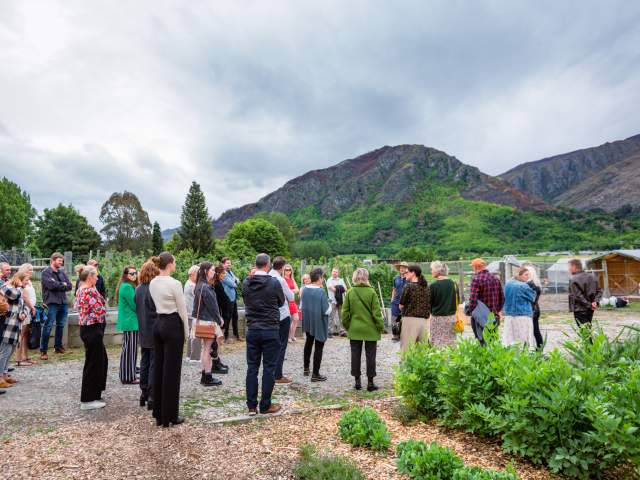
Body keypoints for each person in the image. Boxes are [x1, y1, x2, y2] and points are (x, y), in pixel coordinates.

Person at [149, 252, 189, 427]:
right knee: (172, 372)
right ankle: (170, 415)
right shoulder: (175, 283)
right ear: (170, 264)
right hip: (172, 324)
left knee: (159, 367)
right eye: (175, 262)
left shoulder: (153, 281)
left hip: (158, 324)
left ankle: (159, 414)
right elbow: (182, 311)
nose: (176, 264)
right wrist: (186, 333)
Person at [242, 253, 285, 415]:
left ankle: (251, 406)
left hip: (253, 328)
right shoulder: (273, 283)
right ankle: (265, 405)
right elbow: (281, 302)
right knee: (269, 368)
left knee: (252, 367)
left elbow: (246, 300)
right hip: (270, 329)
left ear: (256, 264)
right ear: (267, 265)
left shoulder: (247, 282)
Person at [342, 268, 384, 392]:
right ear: (366, 278)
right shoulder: (372, 293)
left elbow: (344, 313)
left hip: (355, 329)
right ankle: (370, 383)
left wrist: (348, 326)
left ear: (355, 277)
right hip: (370, 330)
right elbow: (377, 314)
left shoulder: (350, 292)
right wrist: (380, 327)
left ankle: (357, 382)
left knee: (355, 355)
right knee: (371, 356)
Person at [75, 265, 108, 410]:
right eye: (95, 276)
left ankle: (94, 392)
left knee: (99, 360)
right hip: (92, 329)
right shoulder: (89, 291)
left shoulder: (81, 289)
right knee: (93, 363)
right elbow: (101, 309)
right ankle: (87, 399)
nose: (97, 278)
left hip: (87, 329)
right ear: (89, 277)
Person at [192, 262, 224, 387]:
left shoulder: (199, 285)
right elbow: (213, 307)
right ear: (205, 271)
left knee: (205, 348)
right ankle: (207, 377)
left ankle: (205, 375)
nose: (214, 272)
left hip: (201, 320)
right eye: (211, 270)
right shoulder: (205, 287)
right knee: (207, 349)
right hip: (207, 320)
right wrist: (219, 320)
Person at [135, 260, 160, 410]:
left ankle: (143, 393)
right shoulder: (153, 289)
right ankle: (152, 395)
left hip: (142, 328)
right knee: (153, 363)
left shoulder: (138, 289)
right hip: (153, 328)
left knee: (144, 361)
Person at [465, 258, 505, 345]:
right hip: (493, 316)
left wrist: (470, 311)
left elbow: (473, 300)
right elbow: (502, 298)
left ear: (475, 267)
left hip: (481, 317)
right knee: (492, 341)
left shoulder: (476, 280)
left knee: (482, 342)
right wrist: (496, 311)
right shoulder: (495, 279)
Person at [40, 252, 72, 359]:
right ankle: (43, 351)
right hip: (52, 303)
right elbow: (51, 285)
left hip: (63, 302)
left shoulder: (62, 272)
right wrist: (62, 284)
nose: (61, 263)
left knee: (61, 325)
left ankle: (58, 347)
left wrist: (61, 285)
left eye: (62, 261)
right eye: (59, 261)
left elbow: (70, 286)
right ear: (53, 260)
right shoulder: (46, 272)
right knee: (48, 326)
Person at [300, 268, 331, 381]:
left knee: (308, 343)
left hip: (308, 321)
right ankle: (316, 374)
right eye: (322, 277)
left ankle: (306, 368)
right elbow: (326, 310)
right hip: (318, 322)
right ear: (318, 278)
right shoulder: (321, 291)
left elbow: (303, 306)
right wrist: (330, 305)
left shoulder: (304, 290)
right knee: (319, 346)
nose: (323, 280)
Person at [0, 272, 28, 390]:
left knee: (10, 351)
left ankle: (5, 375)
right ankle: (0, 377)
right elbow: (13, 295)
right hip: (8, 326)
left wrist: (23, 313)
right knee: (4, 352)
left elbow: (24, 306)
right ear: (19, 279)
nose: (27, 282)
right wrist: (21, 287)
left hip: (16, 326)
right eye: (26, 280)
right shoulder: (8, 288)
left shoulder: (18, 290)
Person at [269, 256, 295, 385]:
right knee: (281, 345)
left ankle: (270, 372)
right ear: (282, 267)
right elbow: (291, 297)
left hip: (269, 315)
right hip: (282, 315)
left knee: (271, 345)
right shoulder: (280, 280)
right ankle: (278, 375)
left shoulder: (267, 276)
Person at [502, 268, 537, 349]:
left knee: (510, 338)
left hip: (509, 314)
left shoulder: (508, 284)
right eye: (526, 274)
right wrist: (532, 286)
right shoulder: (523, 286)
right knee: (524, 338)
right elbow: (533, 297)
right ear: (519, 275)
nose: (528, 277)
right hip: (522, 315)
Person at [399, 265, 431, 352]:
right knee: (422, 351)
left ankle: (406, 366)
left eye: (407, 272)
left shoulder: (408, 286)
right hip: (423, 322)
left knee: (406, 349)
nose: (405, 274)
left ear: (413, 273)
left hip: (409, 321)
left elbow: (401, 304)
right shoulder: (427, 287)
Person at [116, 266, 139, 384]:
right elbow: (135, 305)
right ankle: (128, 377)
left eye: (135, 273)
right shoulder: (127, 287)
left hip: (130, 322)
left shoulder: (126, 286)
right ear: (125, 275)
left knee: (130, 349)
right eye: (131, 273)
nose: (134, 275)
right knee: (129, 350)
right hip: (131, 322)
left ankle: (130, 373)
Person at [568, 259, 602, 336]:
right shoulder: (592, 276)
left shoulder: (573, 279)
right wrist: (595, 302)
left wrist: (590, 304)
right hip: (590, 309)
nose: (568, 269)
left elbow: (578, 296)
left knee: (585, 333)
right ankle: (591, 347)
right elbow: (599, 291)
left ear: (574, 266)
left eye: (569, 267)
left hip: (580, 310)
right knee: (587, 330)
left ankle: (590, 348)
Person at [429, 261, 458, 348]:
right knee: (450, 342)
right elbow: (457, 300)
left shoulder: (433, 286)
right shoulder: (453, 283)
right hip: (451, 318)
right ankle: (451, 360)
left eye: (432, 269)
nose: (431, 271)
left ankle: (439, 360)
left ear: (438, 271)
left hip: (437, 318)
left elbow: (429, 303)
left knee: (437, 341)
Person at [15, 264, 37, 366]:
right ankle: (19, 359)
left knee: (26, 334)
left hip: (28, 309)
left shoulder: (28, 280)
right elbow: (24, 296)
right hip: (24, 310)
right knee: (21, 334)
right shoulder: (21, 280)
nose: (31, 271)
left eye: (32, 269)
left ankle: (25, 356)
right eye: (29, 269)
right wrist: (31, 307)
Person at [211, 265, 230, 375]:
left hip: (222, 314)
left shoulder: (218, 284)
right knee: (218, 339)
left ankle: (217, 360)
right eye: (222, 274)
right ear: (217, 274)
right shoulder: (216, 285)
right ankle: (216, 361)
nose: (224, 275)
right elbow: (221, 300)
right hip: (220, 315)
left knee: (219, 339)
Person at [522, 262, 543, 349]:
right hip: (535, 310)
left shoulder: (528, 286)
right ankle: (539, 349)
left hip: (531, 311)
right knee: (535, 331)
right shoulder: (535, 285)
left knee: (531, 331)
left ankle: (535, 349)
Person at [183, 265, 201, 362]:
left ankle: (189, 356)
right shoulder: (192, 286)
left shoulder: (188, 283)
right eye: (198, 273)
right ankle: (195, 357)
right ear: (192, 274)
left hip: (189, 313)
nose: (199, 276)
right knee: (196, 335)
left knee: (191, 335)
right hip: (193, 313)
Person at [221, 257, 241, 342]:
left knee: (235, 316)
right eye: (227, 263)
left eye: (230, 263)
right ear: (223, 264)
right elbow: (233, 284)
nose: (229, 264)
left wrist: (234, 281)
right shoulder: (223, 273)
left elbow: (238, 280)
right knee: (227, 317)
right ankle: (226, 337)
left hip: (233, 298)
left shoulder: (230, 272)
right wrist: (234, 281)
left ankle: (236, 335)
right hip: (227, 298)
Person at [390, 262, 408, 341]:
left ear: (407, 269)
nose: (402, 269)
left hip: (406, 302)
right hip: (396, 301)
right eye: (401, 267)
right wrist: (392, 299)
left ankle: (404, 335)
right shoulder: (395, 278)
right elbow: (394, 289)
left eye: (404, 267)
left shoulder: (409, 279)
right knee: (394, 318)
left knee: (404, 319)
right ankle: (395, 335)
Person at [327, 268, 347, 336]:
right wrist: (340, 287)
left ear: (338, 273)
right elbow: (331, 288)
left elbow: (345, 289)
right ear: (331, 272)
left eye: (336, 272)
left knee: (341, 316)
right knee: (331, 316)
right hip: (332, 301)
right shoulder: (329, 280)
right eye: (333, 271)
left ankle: (342, 331)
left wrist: (337, 287)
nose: (334, 273)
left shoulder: (341, 280)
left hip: (340, 301)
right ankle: (329, 332)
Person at [283, 264, 300, 342]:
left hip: (292, 301)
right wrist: (291, 291)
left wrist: (290, 291)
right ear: (284, 271)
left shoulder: (292, 279)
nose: (288, 271)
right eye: (286, 270)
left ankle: (292, 335)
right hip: (286, 301)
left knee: (296, 319)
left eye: (289, 269)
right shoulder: (282, 279)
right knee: (288, 320)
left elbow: (297, 289)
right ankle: (288, 337)